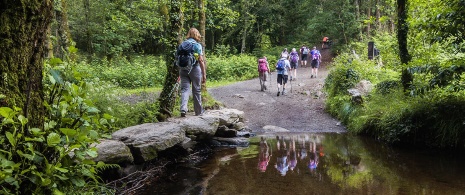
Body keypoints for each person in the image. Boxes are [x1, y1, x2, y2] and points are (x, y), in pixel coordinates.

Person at [179, 28, 206, 117]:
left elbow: (178, 59)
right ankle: (198, 112)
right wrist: (204, 74)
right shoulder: (197, 45)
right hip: (194, 69)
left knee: (185, 89)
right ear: (197, 35)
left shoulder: (182, 44)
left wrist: (179, 74)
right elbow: (201, 60)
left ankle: (183, 109)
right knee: (196, 90)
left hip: (183, 69)